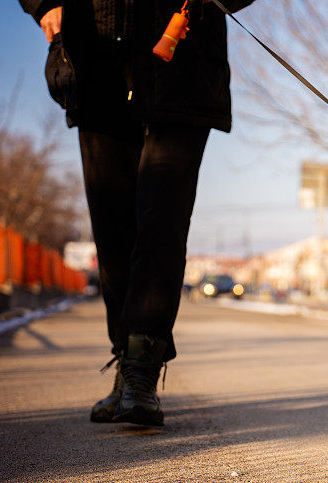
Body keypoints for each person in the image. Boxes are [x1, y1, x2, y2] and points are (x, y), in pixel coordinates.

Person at [19, 0, 256, 426]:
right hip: (97, 71)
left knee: (161, 224)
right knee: (112, 230)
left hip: (184, 67)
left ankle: (141, 369)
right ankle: (125, 363)